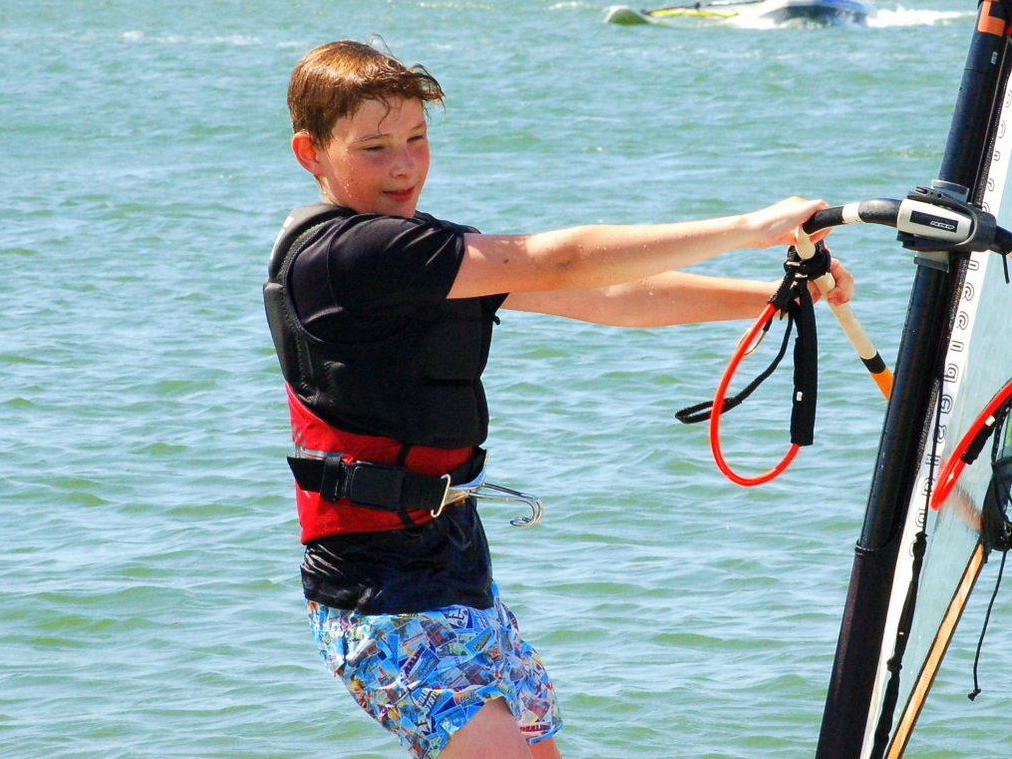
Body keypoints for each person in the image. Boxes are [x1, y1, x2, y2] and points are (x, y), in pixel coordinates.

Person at [266, 40, 854, 759]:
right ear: (312, 153)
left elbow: (604, 294)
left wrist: (773, 297)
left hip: (459, 576)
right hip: (379, 600)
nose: (404, 165)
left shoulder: (418, 250)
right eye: (374, 148)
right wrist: (745, 228)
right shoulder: (347, 258)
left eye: (417, 139)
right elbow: (563, 257)